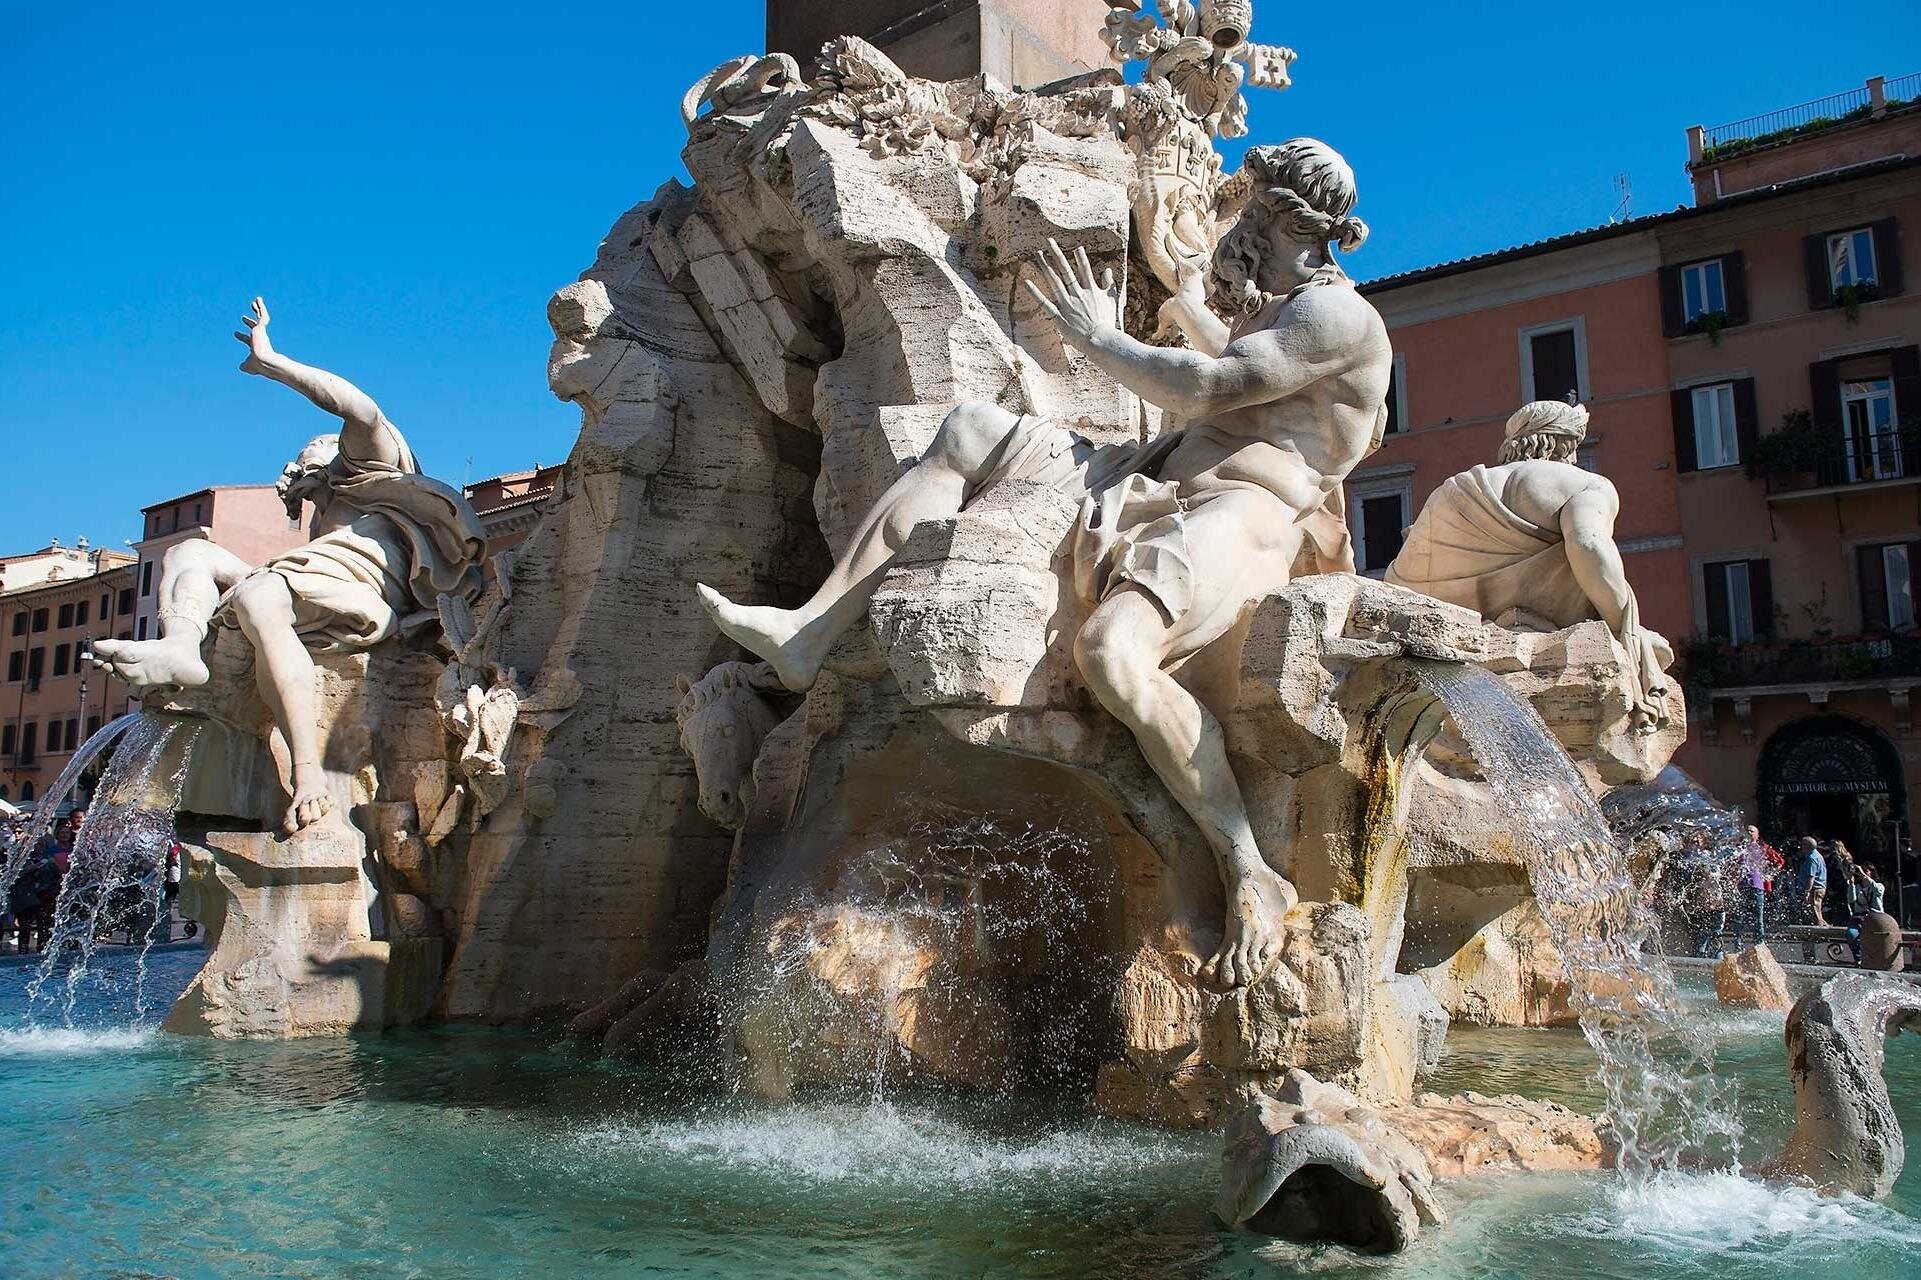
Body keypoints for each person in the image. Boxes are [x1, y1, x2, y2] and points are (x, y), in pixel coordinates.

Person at [696, 139, 1394, 988]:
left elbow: (1210, 389)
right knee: (968, 431)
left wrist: (1098, 337)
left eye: (1250, 207)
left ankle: (1247, 865)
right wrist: (1181, 305)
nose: (1236, 222)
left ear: (1285, 219)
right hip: (1150, 475)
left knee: (1113, 653)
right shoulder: (1279, 309)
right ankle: (809, 632)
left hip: (1243, 511)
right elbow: (1234, 367)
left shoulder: (1336, 317)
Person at [91, 300, 489, 835]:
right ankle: (182, 648)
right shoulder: (320, 524)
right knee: (189, 552)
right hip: (302, 585)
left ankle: (308, 774)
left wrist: (272, 363)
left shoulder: (368, 473)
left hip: (365, 601)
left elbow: (361, 410)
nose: (290, 467)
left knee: (259, 594)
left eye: (304, 456)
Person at [1384, 399, 1673, 729]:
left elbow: (1402, 578)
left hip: (1441, 638)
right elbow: (1588, 544)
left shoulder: (1452, 489)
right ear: (1564, 445)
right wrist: (1625, 627)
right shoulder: (1584, 483)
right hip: (1532, 633)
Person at [1736, 825, 1778, 943]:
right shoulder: (1740, 848)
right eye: (1747, 830)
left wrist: (1769, 874)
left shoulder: (1763, 848)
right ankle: (1739, 944)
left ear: (1757, 835)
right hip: (1742, 887)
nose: (1749, 832)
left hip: (1757, 886)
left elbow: (1779, 861)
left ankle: (1759, 943)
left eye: (1752, 831)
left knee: (1758, 917)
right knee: (1740, 917)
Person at [1795, 837, 1829, 927]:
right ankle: (1822, 927)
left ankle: (1820, 932)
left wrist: (1807, 892)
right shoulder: (1817, 856)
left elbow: (1811, 877)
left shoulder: (1812, 858)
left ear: (1807, 846)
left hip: (1815, 889)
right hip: (1818, 888)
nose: (1801, 847)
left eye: (1802, 845)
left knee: (1815, 914)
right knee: (1816, 912)